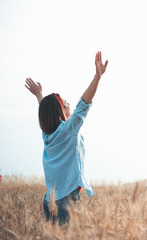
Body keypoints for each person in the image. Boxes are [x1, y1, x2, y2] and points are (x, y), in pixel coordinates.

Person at [25, 51, 108, 226]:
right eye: (66, 103)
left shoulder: (47, 133)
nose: (69, 104)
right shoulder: (69, 129)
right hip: (64, 202)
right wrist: (97, 77)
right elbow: (84, 104)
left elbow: (47, 111)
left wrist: (40, 96)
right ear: (61, 111)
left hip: (49, 200)